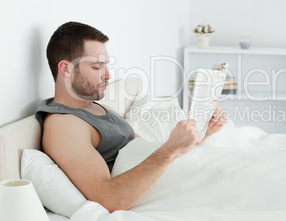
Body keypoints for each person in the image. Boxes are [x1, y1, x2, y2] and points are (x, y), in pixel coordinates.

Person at [35, 21, 227, 212]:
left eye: (106, 66)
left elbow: (150, 155)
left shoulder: (95, 108)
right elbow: (107, 198)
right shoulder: (64, 125)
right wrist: (170, 148)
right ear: (66, 69)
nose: (108, 75)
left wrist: (204, 133)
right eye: (97, 67)